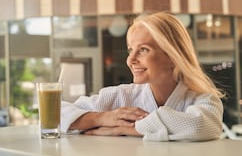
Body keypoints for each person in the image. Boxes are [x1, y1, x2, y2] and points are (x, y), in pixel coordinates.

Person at [61, 12, 224, 141]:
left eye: (143, 49)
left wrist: (129, 128)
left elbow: (200, 125)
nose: (130, 60)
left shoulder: (203, 99)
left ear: (173, 56)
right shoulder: (122, 97)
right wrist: (103, 118)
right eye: (130, 50)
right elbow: (57, 114)